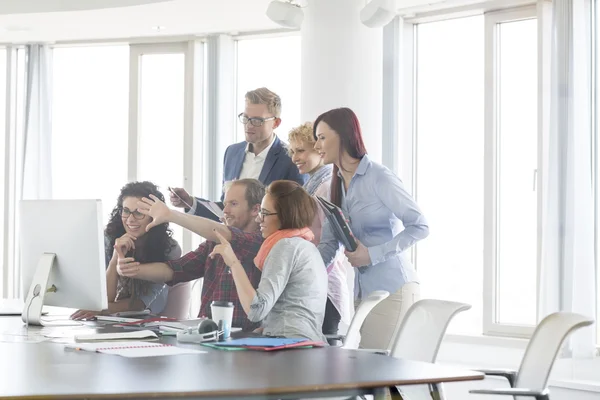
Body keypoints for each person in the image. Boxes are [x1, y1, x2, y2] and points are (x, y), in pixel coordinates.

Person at [314, 108, 429, 350]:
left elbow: (420, 226)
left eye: (322, 137)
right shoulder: (335, 186)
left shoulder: (379, 176)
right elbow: (328, 245)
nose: (317, 145)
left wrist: (372, 254)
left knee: (379, 375)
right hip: (362, 291)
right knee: (368, 373)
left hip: (392, 289)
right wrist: (300, 272)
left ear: (343, 135)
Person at [116, 179, 265, 332]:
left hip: (245, 340)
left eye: (233, 204)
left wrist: (170, 214)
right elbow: (175, 270)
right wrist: (131, 270)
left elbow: (224, 232)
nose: (225, 210)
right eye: (225, 204)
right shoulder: (213, 244)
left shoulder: (260, 242)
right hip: (209, 336)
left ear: (255, 210)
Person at [210, 180, 328, 343]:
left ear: (285, 215)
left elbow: (255, 310)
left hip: (290, 345)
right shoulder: (304, 245)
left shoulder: (285, 246)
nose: (259, 220)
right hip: (305, 341)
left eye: (265, 213)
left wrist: (233, 263)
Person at [170, 87, 307, 220]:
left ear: (276, 123)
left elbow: (294, 215)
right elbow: (226, 209)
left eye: (257, 120)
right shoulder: (232, 153)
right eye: (246, 118)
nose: (249, 125)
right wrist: (189, 202)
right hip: (231, 239)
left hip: (268, 240)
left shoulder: (291, 158)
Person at [71, 181, 181, 320]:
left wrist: (100, 310)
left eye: (139, 213)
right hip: (112, 317)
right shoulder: (108, 239)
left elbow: (140, 304)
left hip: (151, 318)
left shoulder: (170, 249)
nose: (130, 219)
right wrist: (115, 258)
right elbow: (105, 298)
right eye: (126, 211)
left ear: (154, 216)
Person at [288, 122, 351, 336]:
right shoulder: (312, 186)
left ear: (318, 149)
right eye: (292, 151)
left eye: (301, 150)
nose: (294, 158)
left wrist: (308, 274)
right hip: (315, 280)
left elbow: (330, 242)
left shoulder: (326, 187)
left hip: (323, 284)